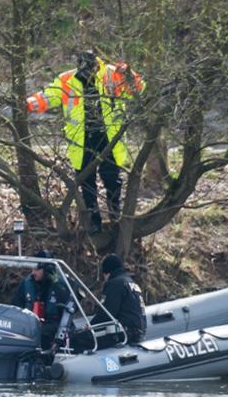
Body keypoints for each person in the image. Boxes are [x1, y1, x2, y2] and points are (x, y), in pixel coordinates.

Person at [27, 51, 146, 234]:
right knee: (86, 183)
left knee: (112, 180)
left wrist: (130, 75)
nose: (87, 70)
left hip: (109, 138)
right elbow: (49, 96)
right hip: (81, 140)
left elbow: (137, 90)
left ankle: (116, 216)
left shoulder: (113, 74)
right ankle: (93, 221)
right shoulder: (67, 79)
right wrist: (27, 103)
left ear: (96, 63)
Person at [70, 253, 147, 352]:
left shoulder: (115, 284)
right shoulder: (131, 282)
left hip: (125, 333)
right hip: (138, 331)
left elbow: (106, 314)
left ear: (107, 273)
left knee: (77, 339)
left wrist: (89, 327)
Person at [11, 249, 69, 351]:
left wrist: (56, 284)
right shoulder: (27, 283)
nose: (33, 272)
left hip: (53, 325)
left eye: (37, 269)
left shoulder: (60, 284)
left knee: (42, 333)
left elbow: (68, 305)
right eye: (32, 269)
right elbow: (15, 306)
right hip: (31, 324)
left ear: (47, 269)